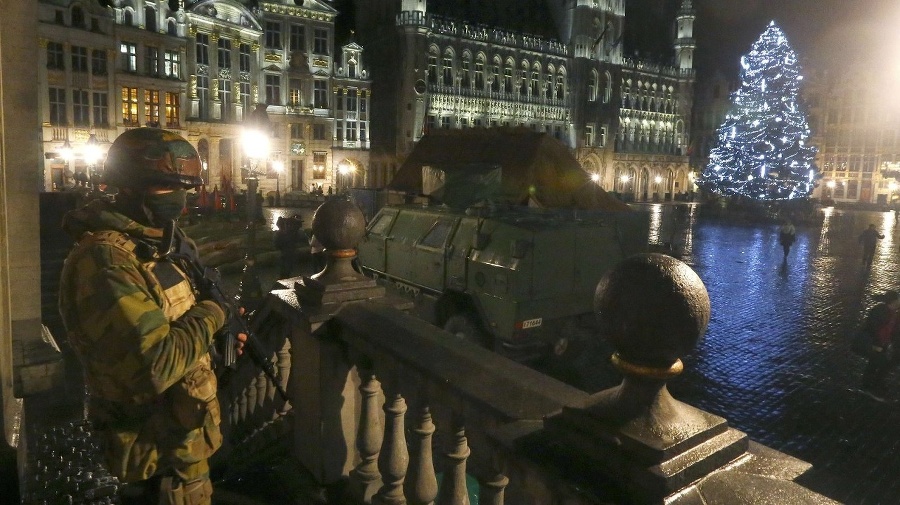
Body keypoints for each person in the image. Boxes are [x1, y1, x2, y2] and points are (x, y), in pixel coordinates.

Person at [58, 128, 243, 505]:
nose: (179, 199)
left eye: (185, 189)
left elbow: (176, 323)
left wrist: (216, 340)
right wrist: (215, 313)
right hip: (156, 468)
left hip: (184, 453)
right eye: (164, 187)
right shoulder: (106, 260)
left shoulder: (158, 245)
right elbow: (155, 366)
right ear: (129, 187)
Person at [859, 290, 900, 402]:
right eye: (898, 299)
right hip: (877, 344)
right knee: (877, 363)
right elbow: (874, 328)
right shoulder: (880, 311)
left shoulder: (894, 312)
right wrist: (876, 344)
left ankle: (874, 384)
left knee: (881, 363)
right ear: (893, 301)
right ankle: (869, 386)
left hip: (885, 344)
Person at [273, 215, 305, 279]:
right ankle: (284, 278)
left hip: (286, 252)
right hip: (289, 252)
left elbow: (277, 244)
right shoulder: (292, 233)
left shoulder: (282, 233)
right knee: (287, 268)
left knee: (285, 268)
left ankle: (283, 278)